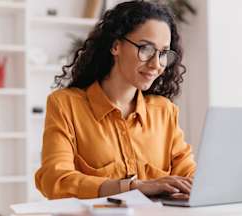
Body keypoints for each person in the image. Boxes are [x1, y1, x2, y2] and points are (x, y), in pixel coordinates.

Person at [35, 0, 196, 200]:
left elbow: (189, 176)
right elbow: (54, 180)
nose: (156, 64)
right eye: (146, 48)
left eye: (163, 53)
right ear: (116, 46)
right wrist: (134, 187)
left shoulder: (164, 111)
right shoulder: (66, 105)